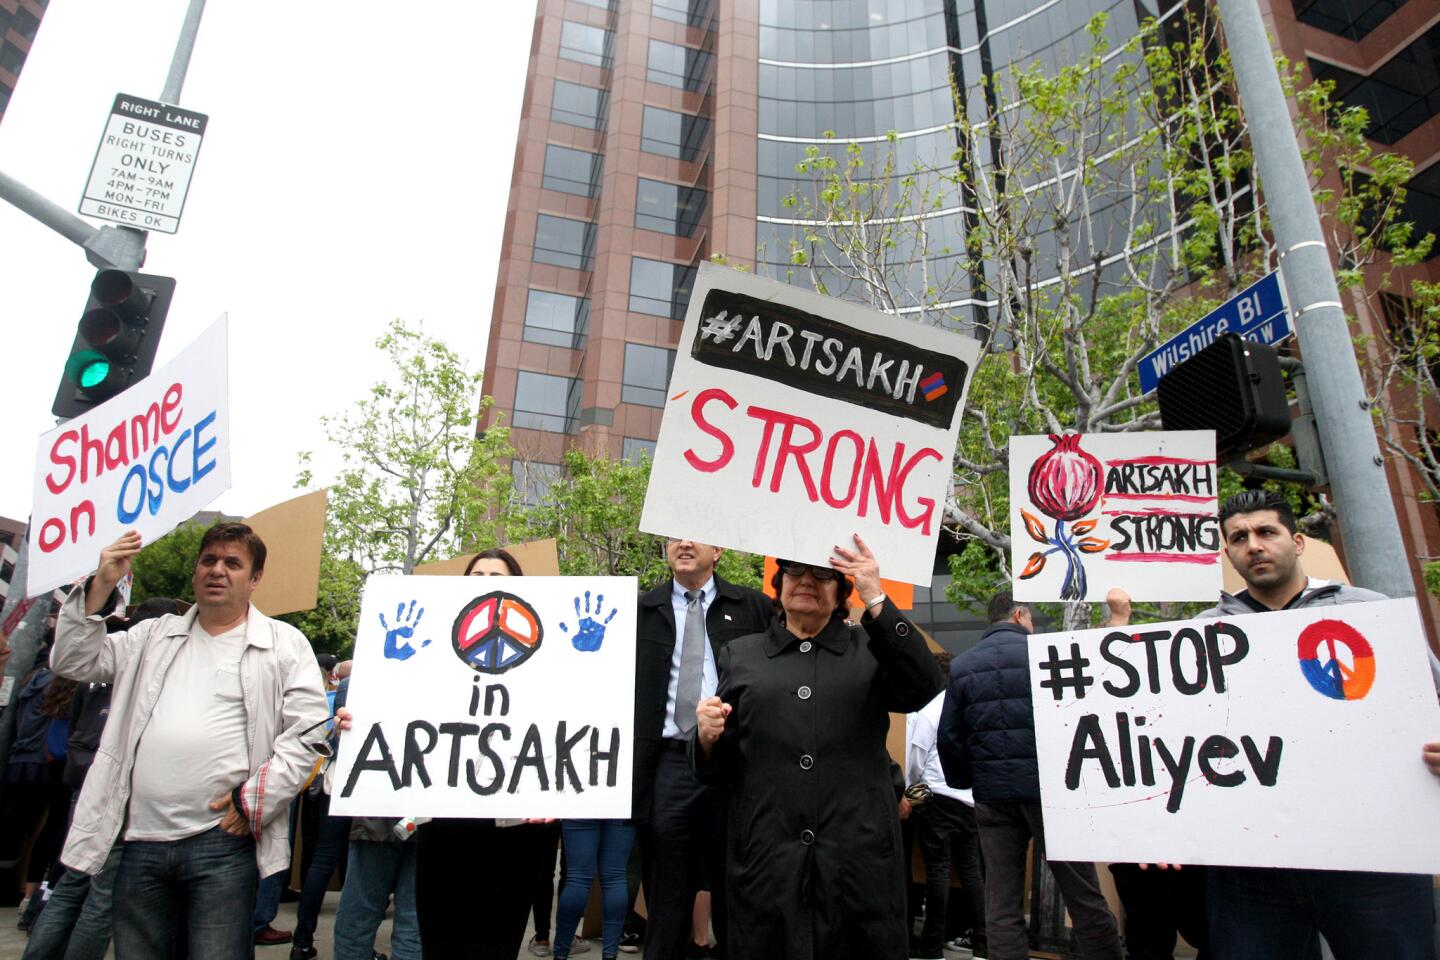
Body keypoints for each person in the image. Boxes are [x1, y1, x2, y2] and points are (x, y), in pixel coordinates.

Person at [1110, 490, 1440, 959]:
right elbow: (1165, 737)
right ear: (1227, 552)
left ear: (1298, 541)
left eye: (1267, 532)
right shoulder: (1204, 633)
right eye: (1239, 537)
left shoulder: (1368, 611)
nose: (1254, 545)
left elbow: (1432, 695)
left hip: (1373, 863)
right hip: (1252, 872)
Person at [50, 525, 329, 960]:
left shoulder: (284, 645)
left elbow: (308, 733)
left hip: (221, 844)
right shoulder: (151, 637)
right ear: (196, 570)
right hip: (139, 840)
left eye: (232, 563)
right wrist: (102, 584)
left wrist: (253, 801)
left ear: (255, 578)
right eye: (208, 560)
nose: (217, 570)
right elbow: (72, 659)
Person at [693, 534, 943, 960]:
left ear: (842, 590)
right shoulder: (740, 655)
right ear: (779, 583)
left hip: (855, 860)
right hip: (769, 859)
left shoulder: (871, 648)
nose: (806, 580)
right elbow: (720, 767)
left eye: (823, 574)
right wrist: (706, 738)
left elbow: (923, 685)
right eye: (794, 570)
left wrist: (876, 596)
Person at [937, 590, 1123, 960]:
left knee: (1002, 903)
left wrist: (965, 780)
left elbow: (950, 737)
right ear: (1020, 614)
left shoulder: (963, 666)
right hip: (1053, 794)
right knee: (1083, 894)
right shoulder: (1049, 658)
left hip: (992, 796)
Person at [413, 548, 575, 959]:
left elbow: (566, 727)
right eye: (476, 573)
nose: (484, 579)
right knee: (441, 944)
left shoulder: (550, 662)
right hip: (443, 824)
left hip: (513, 830)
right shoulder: (425, 655)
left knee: (495, 945)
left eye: (495, 574)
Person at [22, 597, 182, 960]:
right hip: (119, 794)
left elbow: (76, 729)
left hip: (89, 787)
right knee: (102, 897)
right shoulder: (137, 675)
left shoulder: (97, 678)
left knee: (72, 884)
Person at [635, 536, 771, 960]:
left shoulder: (755, 608)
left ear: (720, 551)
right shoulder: (639, 610)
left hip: (737, 766)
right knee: (668, 897)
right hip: (669, 766)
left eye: (696, 533)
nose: (685, 542)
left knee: (738, 891)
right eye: (675, 535)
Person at [905, 650, 986, 960]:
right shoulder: (970, 708)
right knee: (971, 871)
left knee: (936, 871)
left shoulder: (928, 709)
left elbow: (916, 758)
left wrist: (913, 790)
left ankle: (931, 946)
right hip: (969, 798)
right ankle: (983, 943)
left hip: (935, 795)